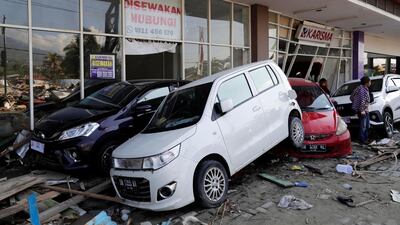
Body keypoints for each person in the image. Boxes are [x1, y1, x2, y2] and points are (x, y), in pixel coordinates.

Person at [350, 76, 371, 144]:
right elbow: (362, 100)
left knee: (367, 125)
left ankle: (366, 138)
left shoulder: (361, 88)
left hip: (365, 110)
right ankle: (363, 140)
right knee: (364, 126)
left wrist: (355, 102)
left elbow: (351, 97)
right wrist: (361, 110)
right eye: (369, 81)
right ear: (366, 82)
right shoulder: (362, 89)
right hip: (362, 110)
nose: (370, 83)